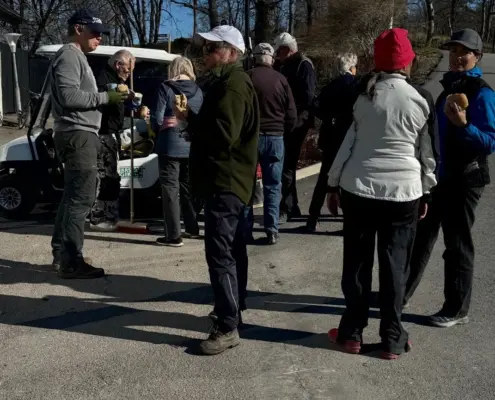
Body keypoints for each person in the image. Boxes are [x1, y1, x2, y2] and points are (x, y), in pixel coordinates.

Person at [326, 28, 437, 359]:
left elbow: (348, 143)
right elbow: (428, 154)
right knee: (395, 265)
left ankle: (351, 334)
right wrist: (426, 192)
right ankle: (392, 337)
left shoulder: (364, 97)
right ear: (407, 63)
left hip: (359, 188)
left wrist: (332, 184)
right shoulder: (421, 99)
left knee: (357, 264)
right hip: (404, 191)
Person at [404, 29, 495, 327]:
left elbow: (490, 141)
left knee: (457, 245)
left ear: (477, 56)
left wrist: (465, 125)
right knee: (421, 237)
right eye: (453, 51)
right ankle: (399, 294)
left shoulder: (481, 92)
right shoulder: (449, 88)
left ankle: (457, 309)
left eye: (464, 52)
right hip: (439, 177)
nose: (457, 57)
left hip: (466, 178)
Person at [189, 25, 260, 355]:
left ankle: (228, 324)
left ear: (231, 53)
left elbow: (224, 135)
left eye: (212, 47)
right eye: (205, 47)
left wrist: (192, 123)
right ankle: (232, 312)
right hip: (229, 180)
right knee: (231, 250)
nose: (206, 53)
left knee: (221, 253)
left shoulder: (233, 85)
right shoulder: (228, 82)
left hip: (226, 181)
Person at [50, 9, 128, 279]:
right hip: (78, 134)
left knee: (71, 198)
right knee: (81, 199)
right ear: (78, 29)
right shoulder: (69, 55)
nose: (99, 38)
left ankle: (62, 254)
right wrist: (105, 98)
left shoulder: (75, 56)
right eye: (95, 32)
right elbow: (69, 96)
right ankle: (71, 262)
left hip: (78, 133)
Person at [246, 43, 297, 244]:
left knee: (248, 185)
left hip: (252, 137)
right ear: (271, 59)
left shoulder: (248, 78)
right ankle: (272, 229)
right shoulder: (281, 80)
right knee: (273, 186)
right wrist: (285, 130)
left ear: (255, 58)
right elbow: (291, 114)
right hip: (276, 137)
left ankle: (246, 229)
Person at [151, 56, 203, 247]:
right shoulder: (198, 90)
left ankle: (173, 235)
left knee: (170, 189)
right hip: (191, 144)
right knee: (188, 187)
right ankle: (192, 227)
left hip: (169, 144)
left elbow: (157, 119)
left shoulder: (165, 88)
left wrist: (157, 128)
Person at [306, 53, 360, 232]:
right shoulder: (355, 86)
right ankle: (348, 220)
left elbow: (315, 105)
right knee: (348, 180)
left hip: (331, 135)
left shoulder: (331, 85)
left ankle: (313, 217)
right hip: (349, 136)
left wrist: (328, 117)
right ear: (352, 67)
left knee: (325, 177)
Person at [89, 50, 136, 232]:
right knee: (105, 176)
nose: (129, 74)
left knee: (111, 176)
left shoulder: (117, 81)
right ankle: (99, 216)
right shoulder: (103, 79)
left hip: (112, 133)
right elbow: (100, 101)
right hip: (103, 133)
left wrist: (131, 105)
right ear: (118, 65)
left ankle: (109, 214)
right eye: (128, 70)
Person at [273, 32, 316, 222]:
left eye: (279, 51)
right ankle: (288, 204)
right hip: (286, 120)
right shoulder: (283, 65)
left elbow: (308, 97)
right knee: (284, 164)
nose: (277, 55)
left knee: (288, 164)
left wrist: (295, 116)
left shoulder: (303, 65)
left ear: (287, 50)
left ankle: (290, 206)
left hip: (297, 121)